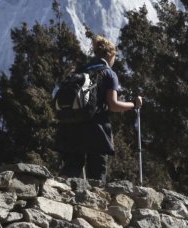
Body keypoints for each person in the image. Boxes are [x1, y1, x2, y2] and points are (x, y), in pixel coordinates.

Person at [55, 35, 143, 184]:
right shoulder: (108, 73)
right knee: (96, 175)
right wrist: (134, 104)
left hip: (69, 125)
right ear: (110, 54)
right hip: (96, 129)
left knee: (70, 168)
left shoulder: (81, 71)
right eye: (115, 56)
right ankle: (92, 203)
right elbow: (113, 105)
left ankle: (56, 195)